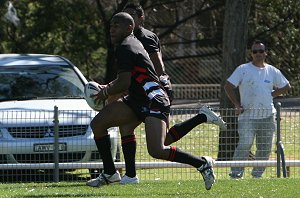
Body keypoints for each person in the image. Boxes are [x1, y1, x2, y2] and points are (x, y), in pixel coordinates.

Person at [86, 12, 216, 190]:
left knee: (157, 150)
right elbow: (126, 79)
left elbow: (124, 82)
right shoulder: (128, 44)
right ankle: (110, 173)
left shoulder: (126, 47)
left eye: (116, 26)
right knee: (98, 124)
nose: (112, 29)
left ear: (129, 27)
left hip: (154, 99)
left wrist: (105, 92)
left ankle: (201, 163)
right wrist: (107, 87)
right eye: (111, 26)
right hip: (136, 100)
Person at [117, 3, 226, 184]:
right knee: (134, 130)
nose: (128, 19)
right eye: (124, 16)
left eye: (131, 16)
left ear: (140, 19)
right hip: (141, 95)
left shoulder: (144, 36)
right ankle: (129, 175)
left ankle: (201, 158)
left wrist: (159, 85)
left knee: (160, 145)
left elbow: (158, 64)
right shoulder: (127, 39)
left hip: (154, 94)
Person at [224, 40, 291, 178]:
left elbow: (286, 86)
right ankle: (235, 175)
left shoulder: (272, 71)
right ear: (251, 54)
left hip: (268, 116)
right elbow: (228, 86)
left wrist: (271, 94)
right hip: (247, 116)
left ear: (266, 53)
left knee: (265, 148)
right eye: (255, 51)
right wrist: (237, 104)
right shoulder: (243, 69)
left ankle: (257, 176)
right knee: (245, 144)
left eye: (261, 51)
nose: (258, 54)